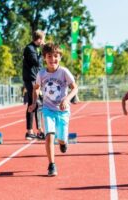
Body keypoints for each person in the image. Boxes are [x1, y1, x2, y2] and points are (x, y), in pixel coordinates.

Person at [28, 43, 78, 176]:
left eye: (56, 56)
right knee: (49, 135)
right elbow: (36, 88)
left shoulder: (64, 72)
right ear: (45, 58)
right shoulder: (41, 73)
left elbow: (75, 88)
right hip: (48, 109)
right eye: (49, 56)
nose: (52, 59)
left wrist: (67, 99)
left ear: (60, 57)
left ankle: (63, 142)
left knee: (61, 138)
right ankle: (51, 165)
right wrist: (34, 103)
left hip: (63, 111)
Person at [23, 30, 45, 140]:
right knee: (36, 103)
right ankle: (36, 131)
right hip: (31, 79)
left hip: (35, 78)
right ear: (39, 39)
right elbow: (36, 62)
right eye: (42, 39)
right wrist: (42, 52)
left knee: (34, 103)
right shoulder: (30, 49)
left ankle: (31, 131)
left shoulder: (34, 48)